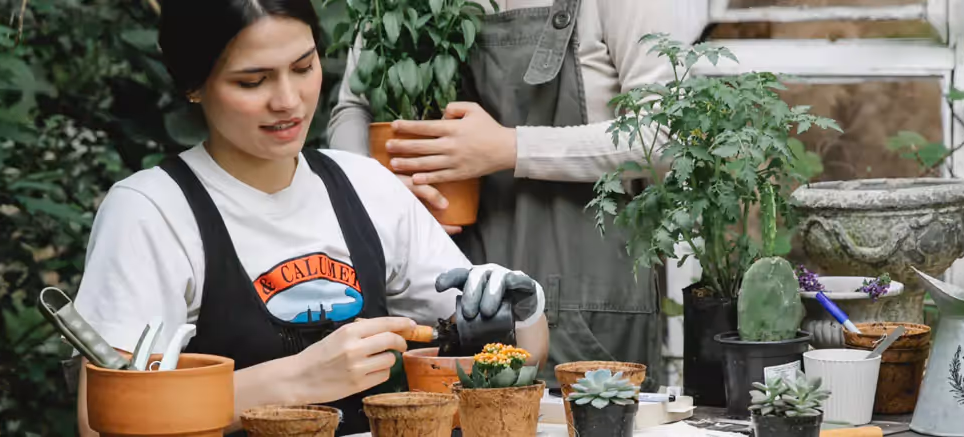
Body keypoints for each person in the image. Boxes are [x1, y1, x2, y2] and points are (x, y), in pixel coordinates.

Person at [69, 1, 549, 435]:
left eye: (303, 67)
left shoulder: (367, 186)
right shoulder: (151, 211)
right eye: (251, 81)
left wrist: (518, 315)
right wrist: (298, 378)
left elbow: (506, 357)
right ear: (193, 85)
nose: (288, 101)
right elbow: (104, 421)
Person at [328, 0, 704, 388]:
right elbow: (352, 107)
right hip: (444, 296)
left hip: (585, 306)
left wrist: (510, 148)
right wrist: (375, 187)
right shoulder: (394, 9)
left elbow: (664, 136)